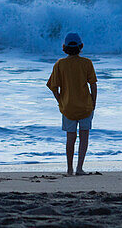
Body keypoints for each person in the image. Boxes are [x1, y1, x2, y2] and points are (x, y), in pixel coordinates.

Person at [46, 32, 97, 176]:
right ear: (81, 46)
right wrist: (94, 102)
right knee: (84, 137)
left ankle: (69, 169)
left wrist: (61, 101)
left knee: (70, 138)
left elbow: (53, 87)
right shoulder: (87, 63)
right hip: (85, 106)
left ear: (64, 47)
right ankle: (79, 168)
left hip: (68, 107)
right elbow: (93, 85)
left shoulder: (60, 64)